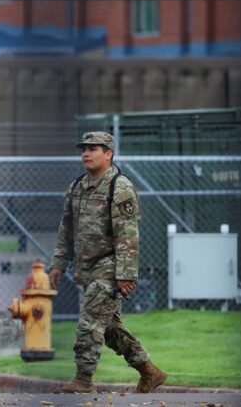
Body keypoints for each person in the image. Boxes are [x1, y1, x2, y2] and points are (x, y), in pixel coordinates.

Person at [49, 132, 167, 394]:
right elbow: (66, 230)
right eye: (84, 149)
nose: (86, 153)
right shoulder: (76, 187)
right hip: (86, 268)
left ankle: (83, 380)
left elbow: (127, 235)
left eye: (93, 149)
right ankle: (149, 371)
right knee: (110, 328)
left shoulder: (119, 187)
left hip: (110, 266)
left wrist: (126, 274)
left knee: (89, 322)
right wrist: (58, 264)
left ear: (108, 154)